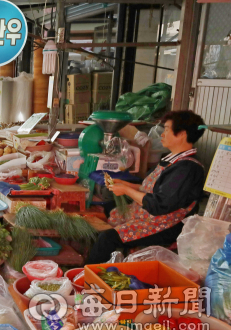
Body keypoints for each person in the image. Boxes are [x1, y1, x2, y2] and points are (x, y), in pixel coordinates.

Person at [86, 111, 207, 264]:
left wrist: (127, 190)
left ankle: (87, 275)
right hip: (148, 213)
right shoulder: (171, 160)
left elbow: (160, 204)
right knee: (104, 209)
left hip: (165, 225)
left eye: (167, 129)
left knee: (108, 237)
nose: (162, 134)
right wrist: (126, 184)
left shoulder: (187, 168)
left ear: (182, 134)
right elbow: (152, 188)